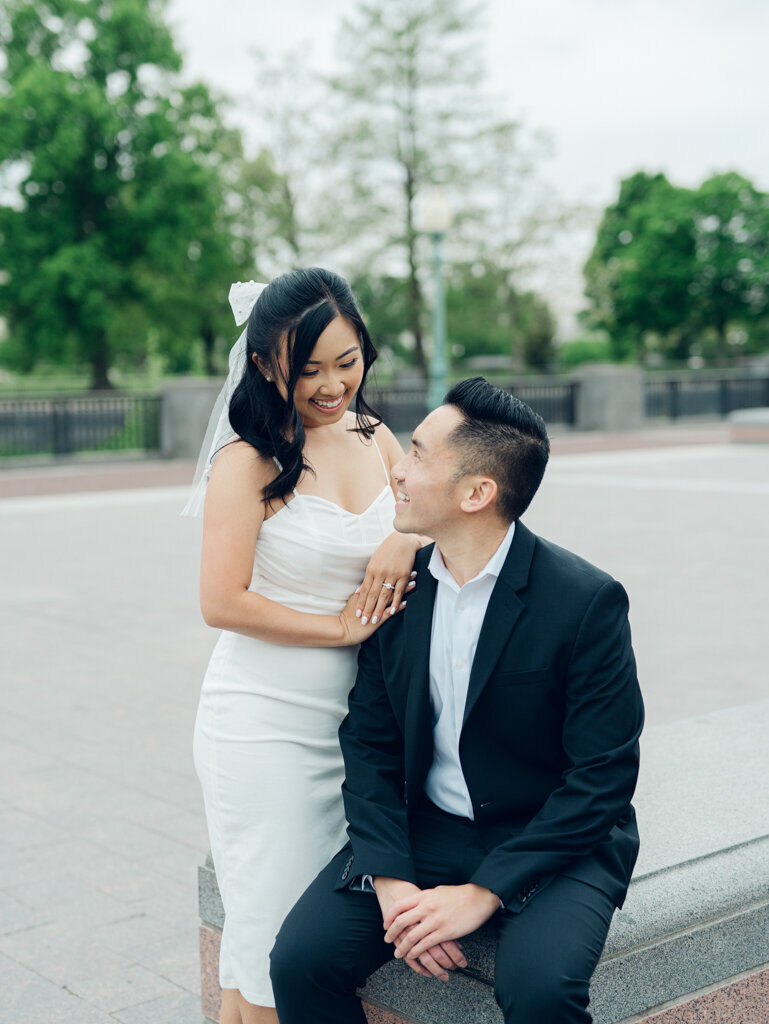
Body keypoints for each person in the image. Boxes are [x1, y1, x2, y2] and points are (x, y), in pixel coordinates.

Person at [270, 377, 645, 1024]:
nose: (397, 469)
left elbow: (601, 780)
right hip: (427, 828)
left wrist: (479, 894)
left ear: (477, 493)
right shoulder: (398, 590)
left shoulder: (584, 602)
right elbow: (368, 743)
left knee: (539, 992)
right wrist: (389, 883)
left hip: (553, 836)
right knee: (300, 961)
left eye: (416, 453)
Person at [187, 268, 424, 1024]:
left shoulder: (372, 433)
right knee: (268, 939)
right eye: (308, 368)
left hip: (355, 725)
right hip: (265, 725)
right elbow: (220, 601)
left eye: (346, 361)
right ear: (265, 364)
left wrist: (401, 536)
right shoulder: (248, 460)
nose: (332, 385)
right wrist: (338, 629)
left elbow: (433, 509)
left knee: (262, 949)